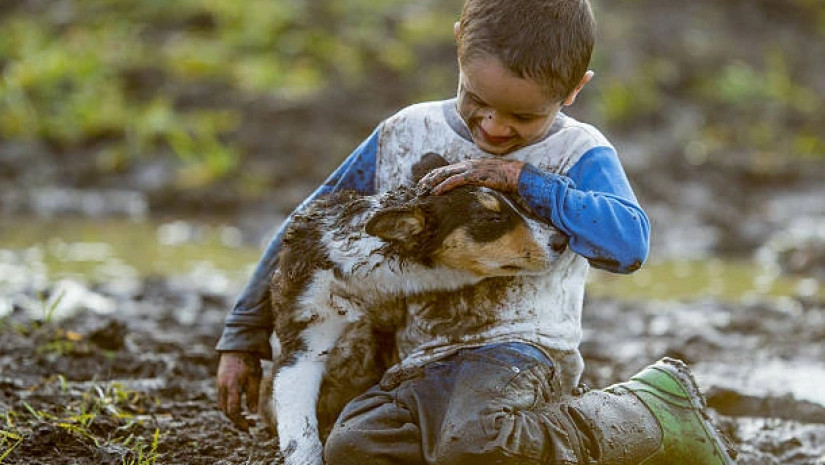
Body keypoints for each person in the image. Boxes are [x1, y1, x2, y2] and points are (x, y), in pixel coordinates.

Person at [216, 0, 736, 463]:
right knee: (353, 446)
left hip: (523, 352)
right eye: (476, 99)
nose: (492, 127)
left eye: (523, 115)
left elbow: (630, 243)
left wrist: (527, 182)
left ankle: (644, 411)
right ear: (459, 47)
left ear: (574, 90)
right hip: (421, 357)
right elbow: (305, 230)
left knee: (475, 440)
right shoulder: (406, 131)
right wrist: (245, 333)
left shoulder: (579, 154)